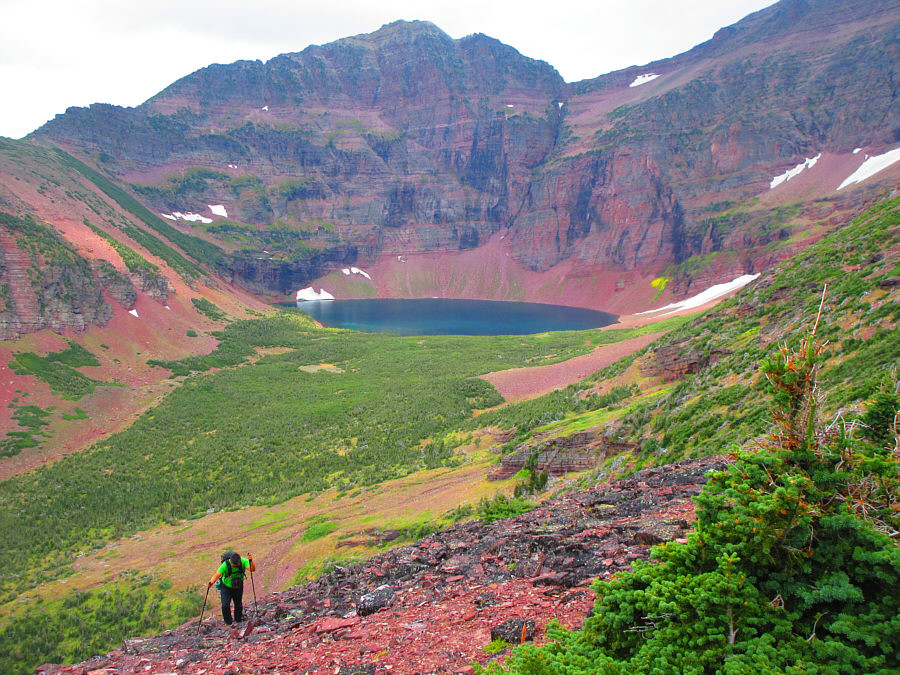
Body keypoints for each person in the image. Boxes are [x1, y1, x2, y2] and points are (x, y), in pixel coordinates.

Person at [208, 551, 256, 625]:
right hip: (226, 587)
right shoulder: (225, 565)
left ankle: (238, 620)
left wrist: (251, 561)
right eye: (234, 565)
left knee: (238, 604)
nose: (235, 566)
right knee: (225, 605)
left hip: (238, 586)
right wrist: (210, 583)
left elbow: (252, 569)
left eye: (237, 565)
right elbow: (217, 575)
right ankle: (228, 622)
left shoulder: (243, 561)